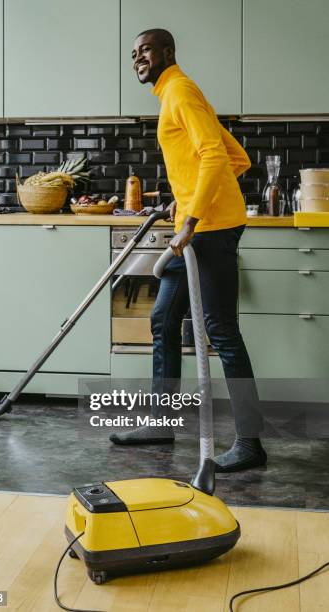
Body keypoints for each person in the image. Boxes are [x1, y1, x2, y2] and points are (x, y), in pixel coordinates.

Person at [110, 28, 267, 472]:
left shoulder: (179, 91)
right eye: (134, 53)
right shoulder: (174, 95)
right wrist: (187, 202)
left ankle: (250, 443)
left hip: (209, 232)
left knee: (221, 330)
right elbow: (238, 158)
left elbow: (216, 157)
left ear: (168, 52)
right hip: (198, 227)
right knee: (163, 318)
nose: (138, 57)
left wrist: (194, 218)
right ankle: (161, 422)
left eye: (146, 50)